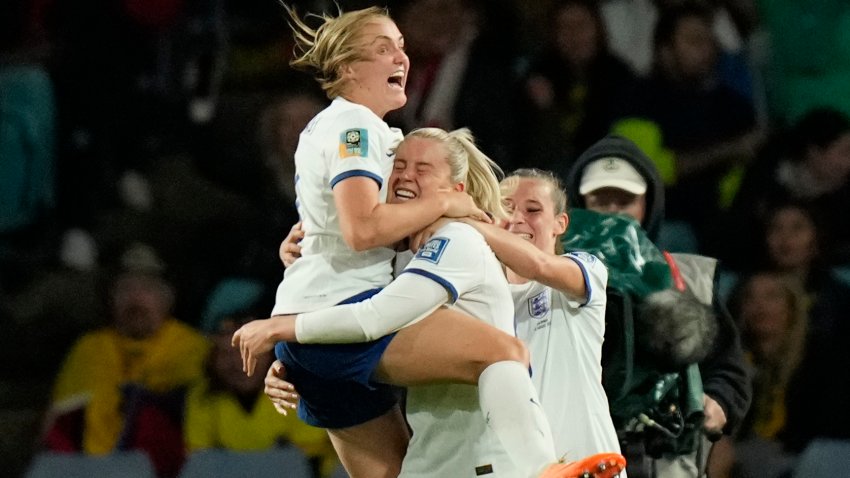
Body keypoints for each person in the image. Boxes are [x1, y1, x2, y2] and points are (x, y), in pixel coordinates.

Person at [241, 5, 614, 477]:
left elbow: (352, 234)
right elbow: (362, 236)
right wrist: (295, 326)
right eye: (382, 48)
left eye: (401, 45)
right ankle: (545, 469)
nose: (401, 56)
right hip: (343, 323)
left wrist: (292, 329)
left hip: (326, 328)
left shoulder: (368, 141)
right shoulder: (357, 131)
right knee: (502, 351)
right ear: (347, 68)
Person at [565, 135, 751, 478]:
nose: (613, 211)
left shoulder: (690, 277)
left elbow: (729, 369)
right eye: (600, 199)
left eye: (625, 200)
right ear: (578, 203)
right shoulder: (547, 279)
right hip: (570, 455)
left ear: (649, 204)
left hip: (662, 457)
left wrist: (717, 403)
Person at [44, 242, 210, 478]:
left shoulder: (194, 348)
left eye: (147, 289)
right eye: (125, 289)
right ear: (111, 300)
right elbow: (57, 427)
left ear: (167, 299)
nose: (136, 299)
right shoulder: (89, 349)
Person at [185, 311, 339, 477]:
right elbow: (199, 461)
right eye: (225, 354)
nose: (238, 364)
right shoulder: (203, 397)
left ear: (271, 353)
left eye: (249, 351)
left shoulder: (297, 389)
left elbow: (310, 460)